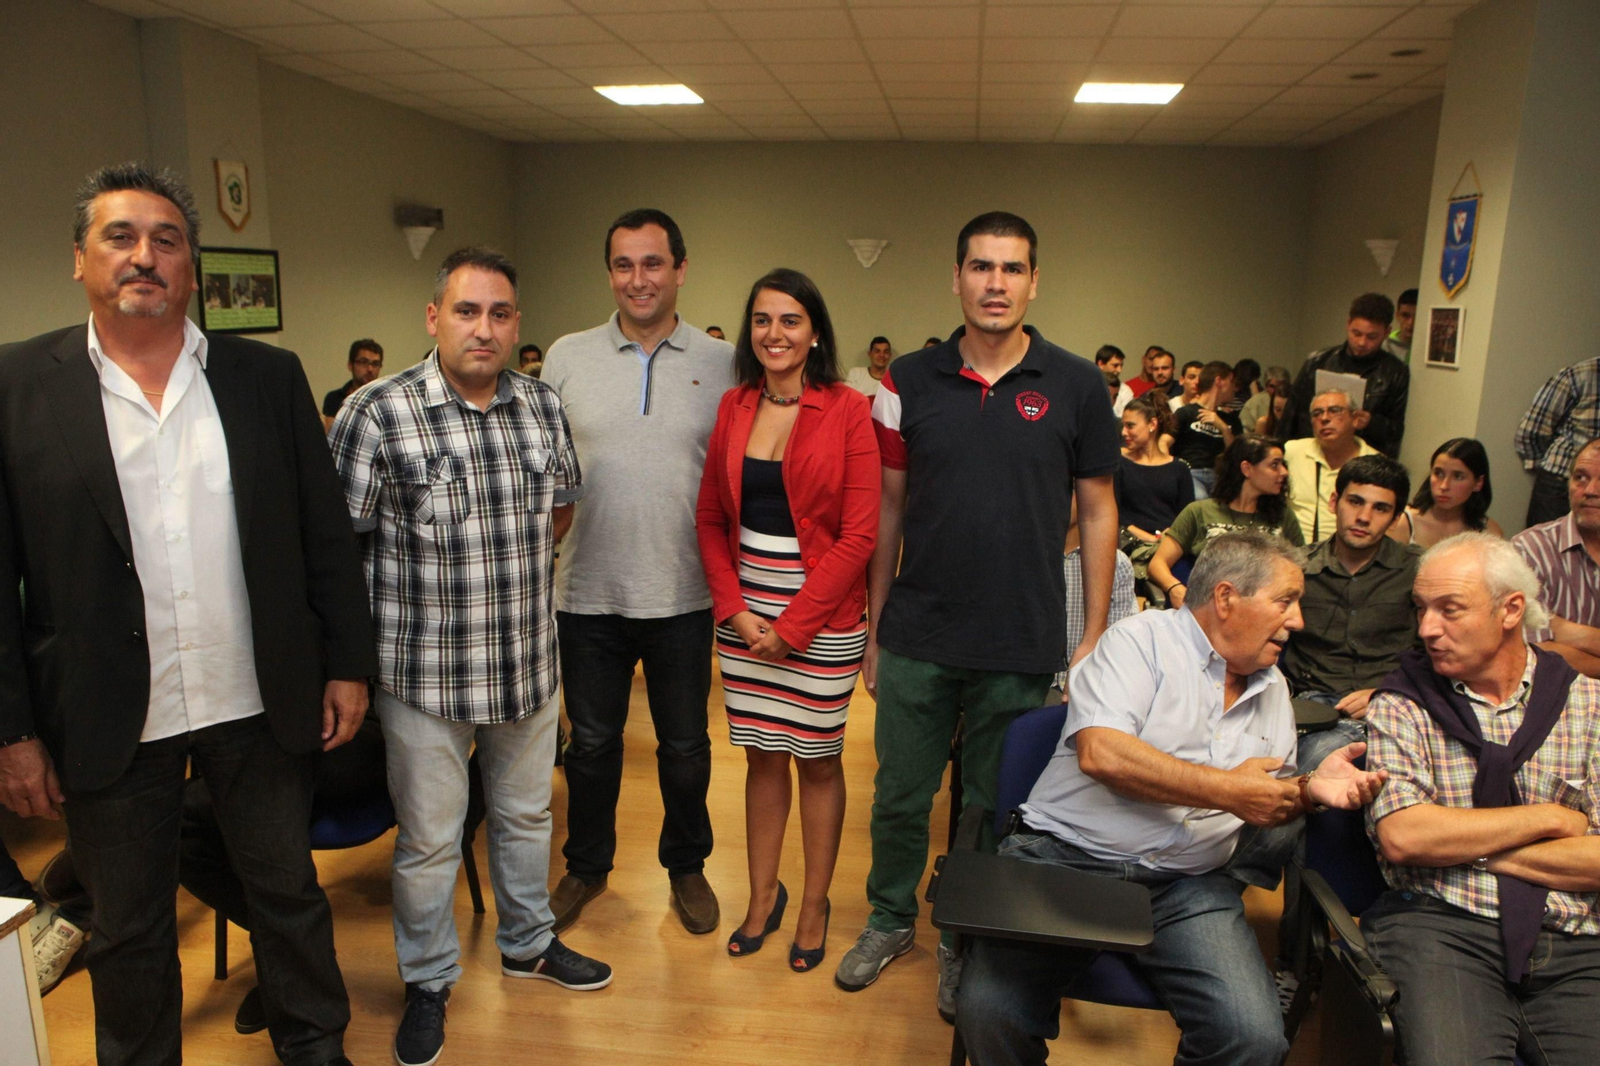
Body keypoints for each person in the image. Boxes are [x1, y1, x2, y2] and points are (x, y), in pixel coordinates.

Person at [0, 163, 375, 1066]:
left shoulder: (264, 377)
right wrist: (11, 732)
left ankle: (315, 1045)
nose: (145, 256)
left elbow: (324, 536)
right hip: (105, 711)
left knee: (286, 895)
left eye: (166, 241)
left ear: (191, 268)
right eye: (120, 237)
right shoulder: (18, 385)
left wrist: (346, 665)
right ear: (79, 259)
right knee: (127, 926)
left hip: (257, 695)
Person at [957, 531, 1388, 1066]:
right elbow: (1102, 754)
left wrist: (1307, 790)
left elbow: (1260, 794)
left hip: (1190, 883)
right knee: (990, 1012)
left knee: (1253, 1039)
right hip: (1067, 860)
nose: (1298, 621)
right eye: (1285, 601)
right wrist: (1229, 790)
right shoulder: (1138, 642)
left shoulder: (1273, 687)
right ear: (1226, 598)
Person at [329, 246, 608, 1066]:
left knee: (526, 818)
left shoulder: (542, 406)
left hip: (526, 665)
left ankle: (528, 943)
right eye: (466, 311)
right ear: (433, 318)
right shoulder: (377, 413)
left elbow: (559, 510)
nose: (483, 329)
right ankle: (427, 981)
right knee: (429, 843)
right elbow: (339, 550)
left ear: (516, 324)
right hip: (424, 678)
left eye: (499, 314)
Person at [841, 211, 1119, 1017]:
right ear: (957, 277)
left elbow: (1098, 510)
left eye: (1012, 268)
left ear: (1034, 282)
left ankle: (967, 938)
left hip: (1020, 638)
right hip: (918, 634)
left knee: (993, 806)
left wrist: (1093, 634)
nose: (996, 283)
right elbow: (888, 506)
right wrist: (875, 625)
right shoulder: (906, 382)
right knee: (901, 794)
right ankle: (891, 918)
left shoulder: (1078, 386)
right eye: (981, 267)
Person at [541, 208, 735, 935]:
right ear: (609, 273)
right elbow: (545, 473)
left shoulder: (725, 363)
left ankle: (687, 866)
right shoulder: (566, 357)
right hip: (586, 592)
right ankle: (586, 866)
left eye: (652, 263)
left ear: (680, 269)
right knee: (590, 747)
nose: (638, 279)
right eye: (623, 264)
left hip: (684, 592)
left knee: (685, 748)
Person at [695, 268, 878, 973]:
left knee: (819, 762)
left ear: (816, 333)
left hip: (822, 622)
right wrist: (735, 610)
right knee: (761, 757)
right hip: (744, 621)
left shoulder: (849, 409)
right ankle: (763, 895)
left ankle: (813, 906)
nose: (775, 334)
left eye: (791, 320)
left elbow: (860, 535)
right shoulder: (734, 405)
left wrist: (794, 627)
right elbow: (710, 519)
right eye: (763, 320)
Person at [1363, 533, 1600, 1066]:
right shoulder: (1402, 703)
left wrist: (1460, 843)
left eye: (1449, 609)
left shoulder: (1590, 704)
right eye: (1421, 608)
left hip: (1575, 939)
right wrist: (1551, 819)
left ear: (1510, 610)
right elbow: (1405, 836)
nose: (1427, 629)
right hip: (1442, 926)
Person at [1281, 455, 1419, 768]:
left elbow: (1437, 655)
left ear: (1395, 519)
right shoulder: (1297, 568)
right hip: (1309, 703)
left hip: (1389, 703)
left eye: (1380, 508)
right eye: (1355, 502)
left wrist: (1385, 691)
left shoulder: (1417, 571)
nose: (1363, 517)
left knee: (1316, 759)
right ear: (1334, 502)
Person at [1150, 436, 1305, 609]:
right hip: (1210, 610)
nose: (1284, 472)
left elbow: (1301, 569)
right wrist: (1175, 588)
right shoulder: (1199, 511)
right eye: (1274, 465)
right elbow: (1157, 564)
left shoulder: (1283, 516)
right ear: (1247, 469)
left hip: (1266, 611)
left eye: (1283, 464)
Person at [1280, 292, 1410, 457]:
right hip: (1312, 450)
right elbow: (1291, 414)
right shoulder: (1318, 361)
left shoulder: (1396, 372)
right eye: (1356, 333)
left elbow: (1396, 430)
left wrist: (1370, 423)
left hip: (1361, 456)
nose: (1362, 342)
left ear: (1386, 332)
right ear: (1348, 324)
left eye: (1372, 337)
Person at [1515, 438, 1600, 669]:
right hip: (1551, 690)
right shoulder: (1531, 549)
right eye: (1580, 477)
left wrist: (1563, 629)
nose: (1590, 491)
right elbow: (1531, 652)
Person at [1114, 395, 1193, 601]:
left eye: (1130, 426)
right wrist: (1150, 538)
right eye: (1123, 426)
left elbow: (1187, 516)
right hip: (1130, 544)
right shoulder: (1119, 463)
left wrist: (1169, 538)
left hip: (1171, 546)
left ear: (1152, 425)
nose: (1124, 432)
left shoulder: (1179, 468)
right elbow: (1116, 513)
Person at [1283, 388, 1380, 544]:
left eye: (1335, 411)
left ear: (1355, 419)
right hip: (1289, 548)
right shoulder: (1292, 451)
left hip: (1346, 551)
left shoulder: (1375, 464)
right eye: (1317, 413)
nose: (1324, 418)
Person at [1516, 357, 1600, 527]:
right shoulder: (1580, 375)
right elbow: (1533, 431)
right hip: (1560, 484)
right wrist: (1549, 473)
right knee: (1545, 541)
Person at [1389, 437, 1504, 548]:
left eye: (1458, 476)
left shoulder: (1489, 532)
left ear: (1478, 483)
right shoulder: (1403, 522)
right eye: (1438, 473)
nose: (1444, 486)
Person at [1170, 360, 1239, 499]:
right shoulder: (1186, 413)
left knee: (1227, 499)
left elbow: (1237, 454)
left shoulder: (1231, 419)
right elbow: (1164, 442)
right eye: (1231, 381)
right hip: (1190, 472)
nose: (1235, 388)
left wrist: (1223, 427)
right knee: (1200, 498)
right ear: (1219, 381)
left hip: (1219, 475)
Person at [321, 338, 383, 430]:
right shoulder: (334, 398)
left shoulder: (384, 400)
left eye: (375, 364)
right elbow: (331, 433)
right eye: (363, 362)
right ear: (350, 365)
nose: (370, 369)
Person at [1241, 364, 1290, 433]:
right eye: (1272, 386)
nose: (1276, 390)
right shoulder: (1252, 404)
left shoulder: (1295, 401)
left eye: (1280, 386)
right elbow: (1245, 434)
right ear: (1266, 386)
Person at [1094, 344, 1133, 414]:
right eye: (1115, 365)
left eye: (1121, 365)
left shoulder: (1125, 391)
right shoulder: (1086, 387)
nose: (1119, 370)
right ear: (1101, 364)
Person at [1383, 288, 1417, 360]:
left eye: (1417, 316)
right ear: (1397, 315)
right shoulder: (1385, 344)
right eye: (1405, 315)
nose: (1411, 322)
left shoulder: (1429, 347)